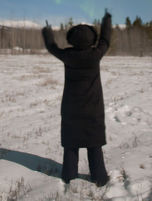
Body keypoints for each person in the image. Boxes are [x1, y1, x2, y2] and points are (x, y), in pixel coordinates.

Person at [41, 10, 112, 186]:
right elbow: (106, 40)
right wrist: (107, 20)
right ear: (91, 40)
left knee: (71, 144)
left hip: (71, 108)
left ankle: (68, 175)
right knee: (94, 144)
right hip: (93, 108)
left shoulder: (67, 55)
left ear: (72, 39)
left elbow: (51, 47)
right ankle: (99, 177)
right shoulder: (96, 54)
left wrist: (47, 31)